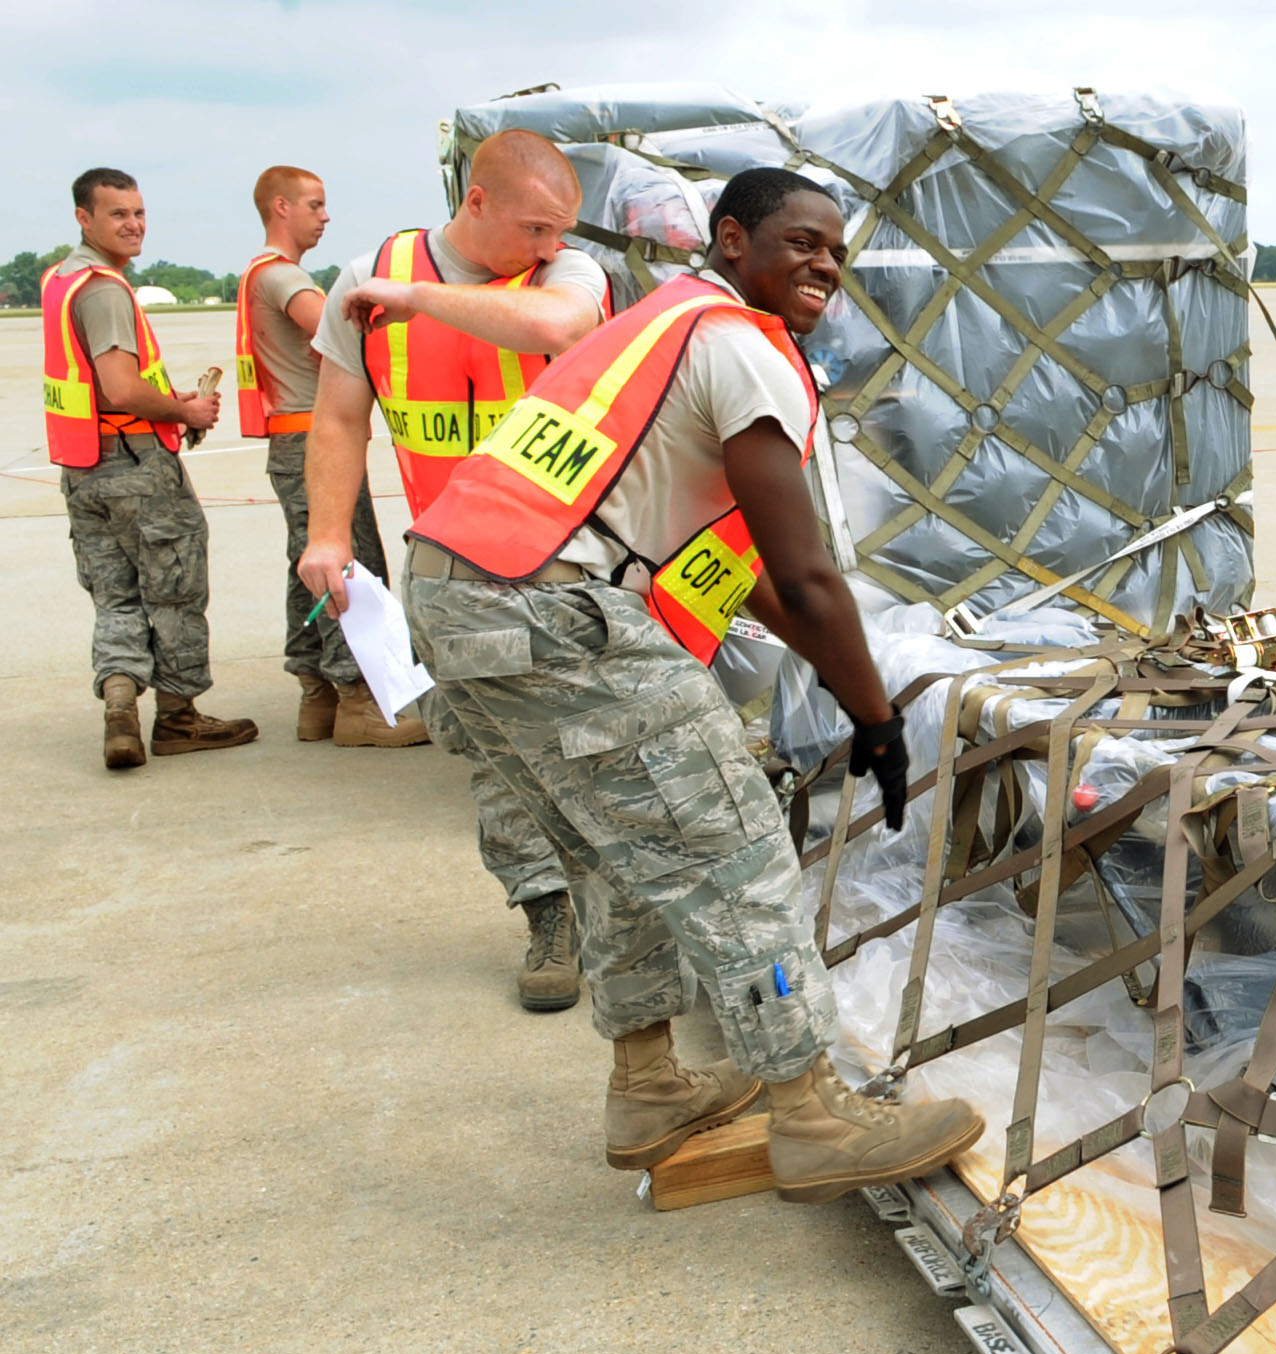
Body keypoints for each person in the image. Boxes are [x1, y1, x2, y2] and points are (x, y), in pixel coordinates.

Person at [308, 166, 981, 1196]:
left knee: (617, 849)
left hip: (455, 591)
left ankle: (651, 1083)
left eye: (836, 252)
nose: (823, 266)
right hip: (547, 605)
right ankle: (809, 1113)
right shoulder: (737, 345)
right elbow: (800, 573)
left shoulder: (658, 326)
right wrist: (876, 717)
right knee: (739, 844)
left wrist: (842, 680)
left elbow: (740, 571)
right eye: (800, 241)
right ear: (729, 242)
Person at [299, 129, 610, 1012]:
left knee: (592, 741)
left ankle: (618, 904)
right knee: (497, 752)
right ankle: (549, 914)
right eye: (536, 228)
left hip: (572, 559)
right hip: (454, 563)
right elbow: (338, 419)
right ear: (475, 202)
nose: (551, 247)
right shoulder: (365, 276)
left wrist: (418, 299)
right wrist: (329, 534)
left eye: (562, 230)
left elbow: (559, 325)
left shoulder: (564, 275)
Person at [40, 167, 257, 771]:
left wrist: (169, 405)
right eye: (118, 214)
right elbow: (120, 387)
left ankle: (118, 708)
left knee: (115, 598)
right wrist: (182, 407)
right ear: (84, 218)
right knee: (175, 589)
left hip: (84, 467)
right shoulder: (105, 289)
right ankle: (178, 718)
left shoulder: (61, 279)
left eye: (138, 213)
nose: (133, 225)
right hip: (134, 464)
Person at [237, 165, 425, 747]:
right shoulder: (284, 277)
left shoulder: (256, 274)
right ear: (280, 208)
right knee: (349, 565)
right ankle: (360, 699)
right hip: (306, 436)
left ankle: (316, 693)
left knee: (309, 570)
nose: (325, 217)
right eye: (315, 205)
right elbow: (337, 331)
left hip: (287, 437)